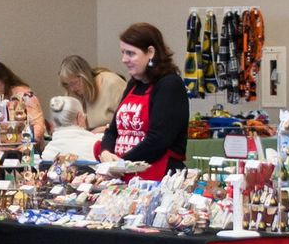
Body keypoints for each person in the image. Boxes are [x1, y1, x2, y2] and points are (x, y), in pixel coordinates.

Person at [97, 22, 189, 181]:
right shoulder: (133, 84)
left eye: (131, 53)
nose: (124, 59)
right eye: (123, 52)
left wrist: (121, 163)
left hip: (156, 178)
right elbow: (113, 130)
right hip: (124, 173)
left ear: (151, 52)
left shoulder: (169, 85)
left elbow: (158, 140)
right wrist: (105, 152)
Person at [59, 54, 126, 131]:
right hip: (89, 139)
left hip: (114, 137)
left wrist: (103, 129)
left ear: (84, 76)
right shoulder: (72, 94)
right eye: (67, 85)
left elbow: (131, 120)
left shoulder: (111, 83)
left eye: (74, 83)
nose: (72, 89)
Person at [0, 60, 43, 139]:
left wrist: (27, 145)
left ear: (4, 78)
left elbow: (38, 125)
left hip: (23, 146)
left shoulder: (25, 95)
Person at [38, 95, 100, 164]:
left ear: (53, 123)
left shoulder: (47, 152)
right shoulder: (97, 146)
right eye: (84, 116)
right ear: (80, 118)